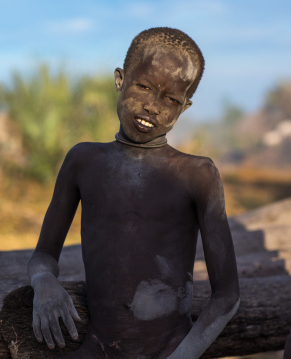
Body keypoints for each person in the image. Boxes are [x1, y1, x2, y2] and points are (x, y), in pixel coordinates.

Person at [27, 27, 240, 358]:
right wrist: (44, 284)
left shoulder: (198, 174)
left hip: (172, 349)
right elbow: (43, 255)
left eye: (170, 99)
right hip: (98, 346)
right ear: (120, 80)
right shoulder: (83, 161)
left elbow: (227, 296)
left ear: (184, 107)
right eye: (144, 87)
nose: (152, 107)